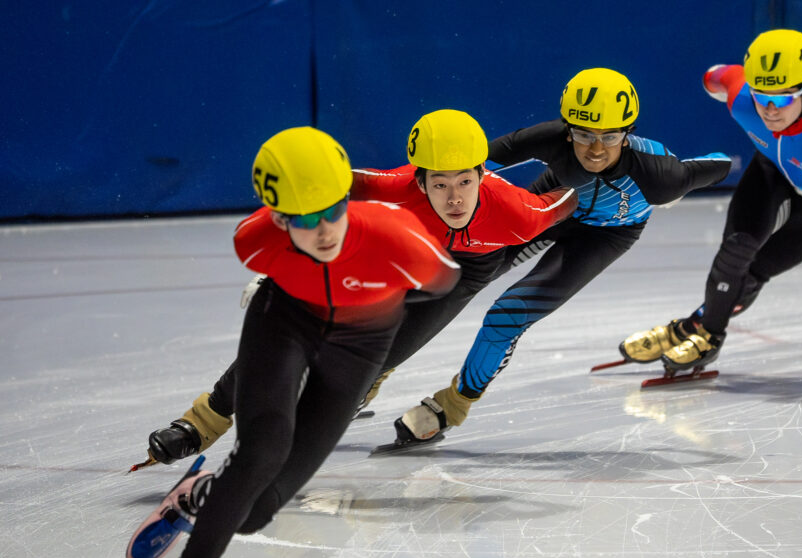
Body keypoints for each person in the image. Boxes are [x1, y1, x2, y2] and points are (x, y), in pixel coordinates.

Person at [116, 127, 460, 558]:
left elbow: (444, 284)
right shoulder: (254, 241)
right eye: (303, 219)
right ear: (278, 218)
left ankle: (195, 499)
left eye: (332, 210)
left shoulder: (401, 238)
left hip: (359, 347)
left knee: (255, 513)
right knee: (262, 450)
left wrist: (373, 300)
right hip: (284, 324)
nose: (323, 229)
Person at [140, 110, 578, 465]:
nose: (455, 198)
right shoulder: (391, 190)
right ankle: (202, 422)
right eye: (440, 185)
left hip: (463, 272)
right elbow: (320, 182)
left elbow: (567, 198)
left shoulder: (518, 214)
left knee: (381, 354)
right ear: (418, 180)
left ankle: (362, 384)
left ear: (483, 175)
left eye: (465, 181)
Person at [394, 67, 732, 446]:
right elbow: (473, 160)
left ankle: (453, 406)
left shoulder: (660, 176)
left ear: (629, 133)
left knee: (508, 313)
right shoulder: (552, 138)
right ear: (567, 128)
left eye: (611, 136)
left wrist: (729, 165)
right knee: (456, 275)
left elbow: (718, 164)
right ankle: (370, 379)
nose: (597, 149)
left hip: (605, 235)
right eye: (584, 135)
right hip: (552, 205)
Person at [618, 29, 802, 373]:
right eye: (762, 97)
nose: (771, 110)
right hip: (771, 172)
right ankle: (709, 336)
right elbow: (715, 75)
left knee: (755, 272)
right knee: (736, 249)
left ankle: (690, 326)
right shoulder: (742, 98)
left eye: (784, 99)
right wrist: (713, 81)